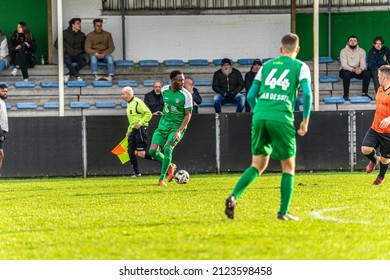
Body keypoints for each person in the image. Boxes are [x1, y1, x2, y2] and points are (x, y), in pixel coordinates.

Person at [224, 33, 312, 221]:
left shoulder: (266, 66)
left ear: (280, 49)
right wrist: (305, 120)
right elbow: (308, 94)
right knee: (288, 166)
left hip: (260, 115)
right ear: (297, 50)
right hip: (281, 117)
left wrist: (259, 112)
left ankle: (234, 196)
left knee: (257, 165)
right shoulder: (301, 66)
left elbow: (249, 96)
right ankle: (283, 212)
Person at [149, 70, 193, 186]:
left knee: (168, 148)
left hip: (177, 126)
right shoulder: (164, 90)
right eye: (180, 80)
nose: (182, 82)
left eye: (183, 80)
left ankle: (161, 179)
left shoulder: (186, 95)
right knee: (152, 151)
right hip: (163, 124)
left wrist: (179, 131)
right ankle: (170, 166)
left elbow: (188, 114)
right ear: (173, 81)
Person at [361, 65, 390, 186]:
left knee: (385, 158)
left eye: (378, 76)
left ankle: (381, 177)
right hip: (375, 128)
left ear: (384, 77)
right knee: (365, 149)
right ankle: (374, 159)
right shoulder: (380, 89)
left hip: (388, 132)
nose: (377, 78)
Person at [121, 86, 154, 177]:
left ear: (129, 94)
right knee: (130, 152)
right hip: (133, 131)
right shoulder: (129, 104)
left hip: (140, 129)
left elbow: (149, 114)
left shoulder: (138, 102)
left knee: (141, 153)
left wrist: (140, 123)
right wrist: (129, 130)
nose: (122, 96)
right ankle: (137, 173)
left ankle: (162, 160)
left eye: (123, 94)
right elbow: (132, 120)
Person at [55, 18, 87, 82]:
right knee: (67, 60)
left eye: (80, 23)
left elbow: (84, 46)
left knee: (84, 61)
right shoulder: (64, 33)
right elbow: (56, 44)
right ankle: (77, 76)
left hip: (78, 54)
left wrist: (81, 52)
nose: (80, 25)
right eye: (78, 23)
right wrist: (65, 50)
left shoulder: (82, 35)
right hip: (68, 54)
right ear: (72, 24)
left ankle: (68, 74)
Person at [339, 35, 371, 100]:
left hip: (358, 70)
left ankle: (364, 93)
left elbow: (363, 64)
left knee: (367, 73)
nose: (353, 42)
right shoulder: (343, 51)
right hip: (346, 70)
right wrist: (353, 69)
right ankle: (346, 95)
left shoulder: (362, 51)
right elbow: (344, 65)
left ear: (357, 42)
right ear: (348, 42)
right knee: (346, 74)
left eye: (354, 41)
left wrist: (360, 69)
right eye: (351, 41)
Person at [0, 84, 9, 171]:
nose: (5, 93)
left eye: (6, 91)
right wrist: (0, 133)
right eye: (3, 91)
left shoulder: (2, 102)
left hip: (2, 131)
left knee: (1, 154)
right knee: (1, 154)